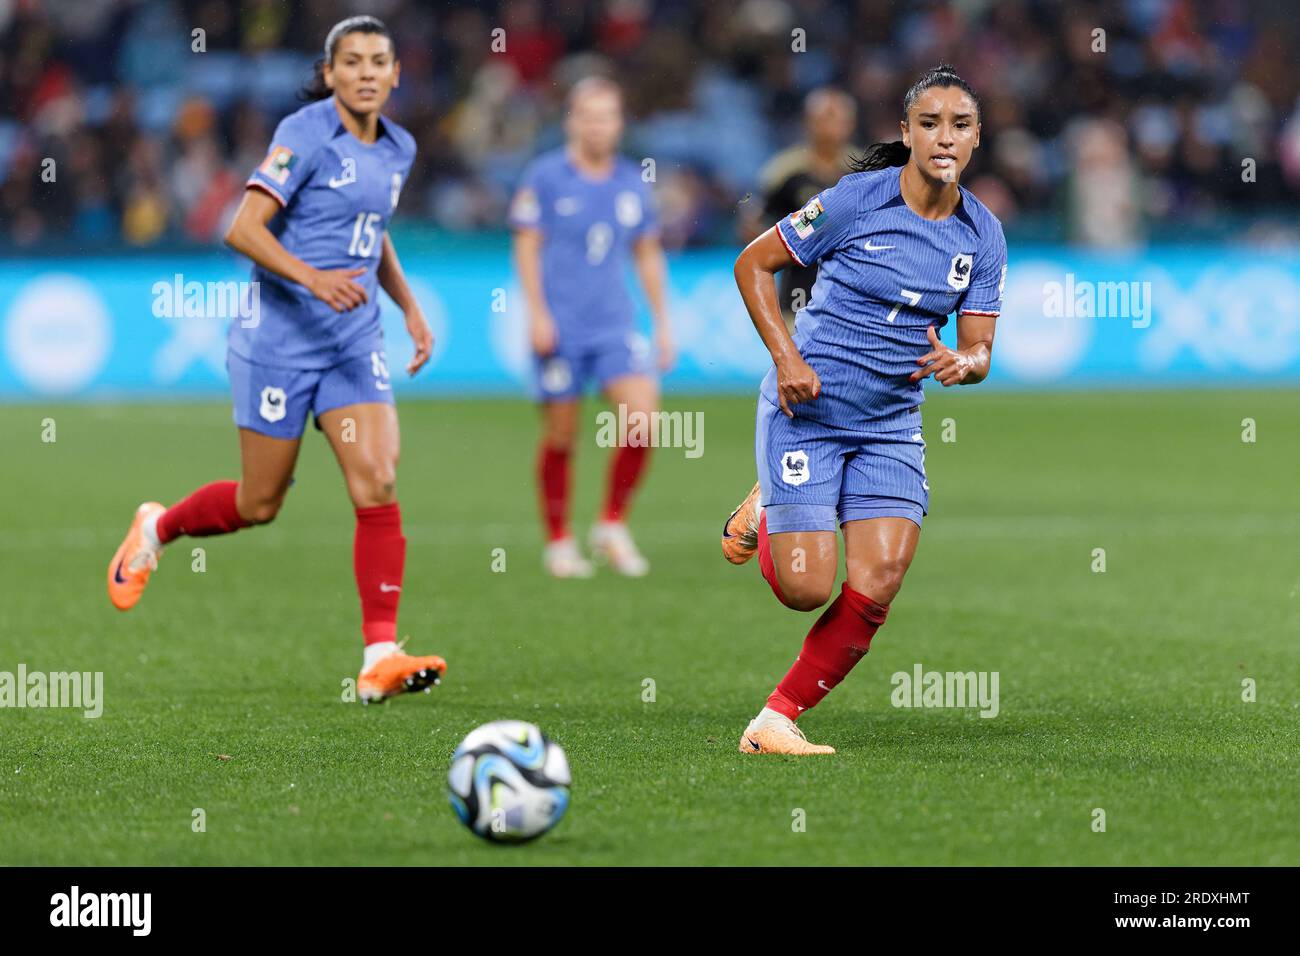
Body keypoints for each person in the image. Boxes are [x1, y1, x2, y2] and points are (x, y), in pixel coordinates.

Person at [106, 16, 447, 704]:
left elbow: (371, 234)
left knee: (377, 480)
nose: (367, 72)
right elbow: (242, 227)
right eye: (352, 61)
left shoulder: (399, 147)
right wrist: (313, 278)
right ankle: (158, 527)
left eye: (380, 60)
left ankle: (379, 654)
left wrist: (407, 305)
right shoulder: (303, 134)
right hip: (280, 342)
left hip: (351, 340)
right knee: (259, 502)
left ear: (396, 73)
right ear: (330, 73)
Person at [721, 65, 1008, 754]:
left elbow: (979, 350)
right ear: (907, 133)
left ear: (975, 139)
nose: (945, 137)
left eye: (960, 125)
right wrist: (787, 358)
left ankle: (774, 720)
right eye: (930, 123)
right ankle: (768, 503)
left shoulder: (983, 235)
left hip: (889, 426)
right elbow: (752, 264)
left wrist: (963, 365)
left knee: (878, 581)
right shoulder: (854, 201)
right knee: (805, 588)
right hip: (808, 413)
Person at [511, 76, 675, 578]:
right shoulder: (545, 176)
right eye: (591, 115)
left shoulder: (631, 181)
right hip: (561, 325)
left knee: (643, 419)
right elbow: (527, 246)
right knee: (562, 434)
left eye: (609, 116)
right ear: (572, 122)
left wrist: (663, 322)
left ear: (619, 123)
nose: (600, 126)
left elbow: (646, 253)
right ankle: (559, 540)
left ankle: (611, 524)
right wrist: (536, 313)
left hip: (614, 326)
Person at [740, 87, 859, 329]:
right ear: (808, 123)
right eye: (824, 118)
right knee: (797, 363)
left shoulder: (863, 171)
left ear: (851, 125)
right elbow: (751, 225)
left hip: (852, 303)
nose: (831, 126)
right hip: (799, 298)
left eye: (838, 119)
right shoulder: (785, 171)